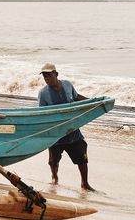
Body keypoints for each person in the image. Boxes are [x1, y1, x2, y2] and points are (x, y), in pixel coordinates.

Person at [38, 62, 95, 191]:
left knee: (82, 156)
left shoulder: (68, 85)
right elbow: (41, 113)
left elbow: (76, 97)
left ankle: (85, 183)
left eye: (49, 76)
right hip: (56, 133)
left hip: (72, 130)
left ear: (56, 74)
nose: (47, 79)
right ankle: (54, 177)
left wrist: (92, 101)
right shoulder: (43, 94)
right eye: (44, 77)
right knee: (54, 159)